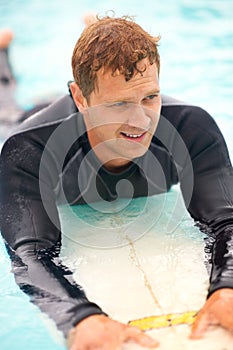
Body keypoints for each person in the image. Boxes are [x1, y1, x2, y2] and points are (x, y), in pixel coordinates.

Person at [0, 16, 233, 350]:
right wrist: (81, 317)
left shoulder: (190, 128)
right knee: (5, 109)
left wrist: (227, 287)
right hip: (27, 120)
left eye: (150, 97)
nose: (140, 121)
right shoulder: (28, 149)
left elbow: (228, 221)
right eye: (119, 104)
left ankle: (101, 40)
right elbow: (30, 253)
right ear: (79, 98)